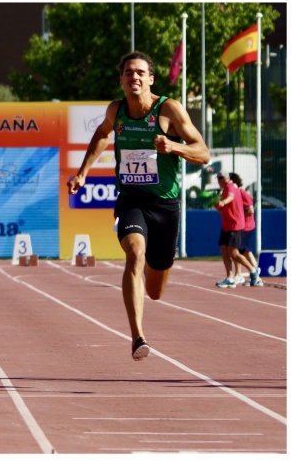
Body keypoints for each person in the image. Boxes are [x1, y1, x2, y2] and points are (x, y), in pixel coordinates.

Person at [67, 51, 210, 360]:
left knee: (155, 290)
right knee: (134, 255)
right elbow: (102, 135)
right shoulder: (116, 110)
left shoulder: (168, 109)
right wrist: (82, 172)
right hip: (131, 199)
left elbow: (203, 153)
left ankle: (149, 266)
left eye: (140, 72)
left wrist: (173, 146)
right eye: (129, 72)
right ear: (121, 79)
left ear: (150, 79)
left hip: (165, 205)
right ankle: (137, 337)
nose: (134, 77)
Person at [213, 171, 259, 288]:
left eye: (219, 179)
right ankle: (229, 278)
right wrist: (219, 207)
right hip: (228, 225)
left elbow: (231, 197)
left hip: (235, 225)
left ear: (225, 179)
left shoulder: (230, 187)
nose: (218, 181)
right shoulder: (227, 188)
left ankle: (253, 270)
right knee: (224, 250)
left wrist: (223, 202)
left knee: (234, 253)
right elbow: (228, 207)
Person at [229, 172, 263, 286]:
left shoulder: (242, 193)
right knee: (245, 251)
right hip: (241, 225)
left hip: (245, 226)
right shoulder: (234, 193)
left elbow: (250, 210)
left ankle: (239, 275)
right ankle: (256, 274)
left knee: (235, 250)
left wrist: (239, 217)